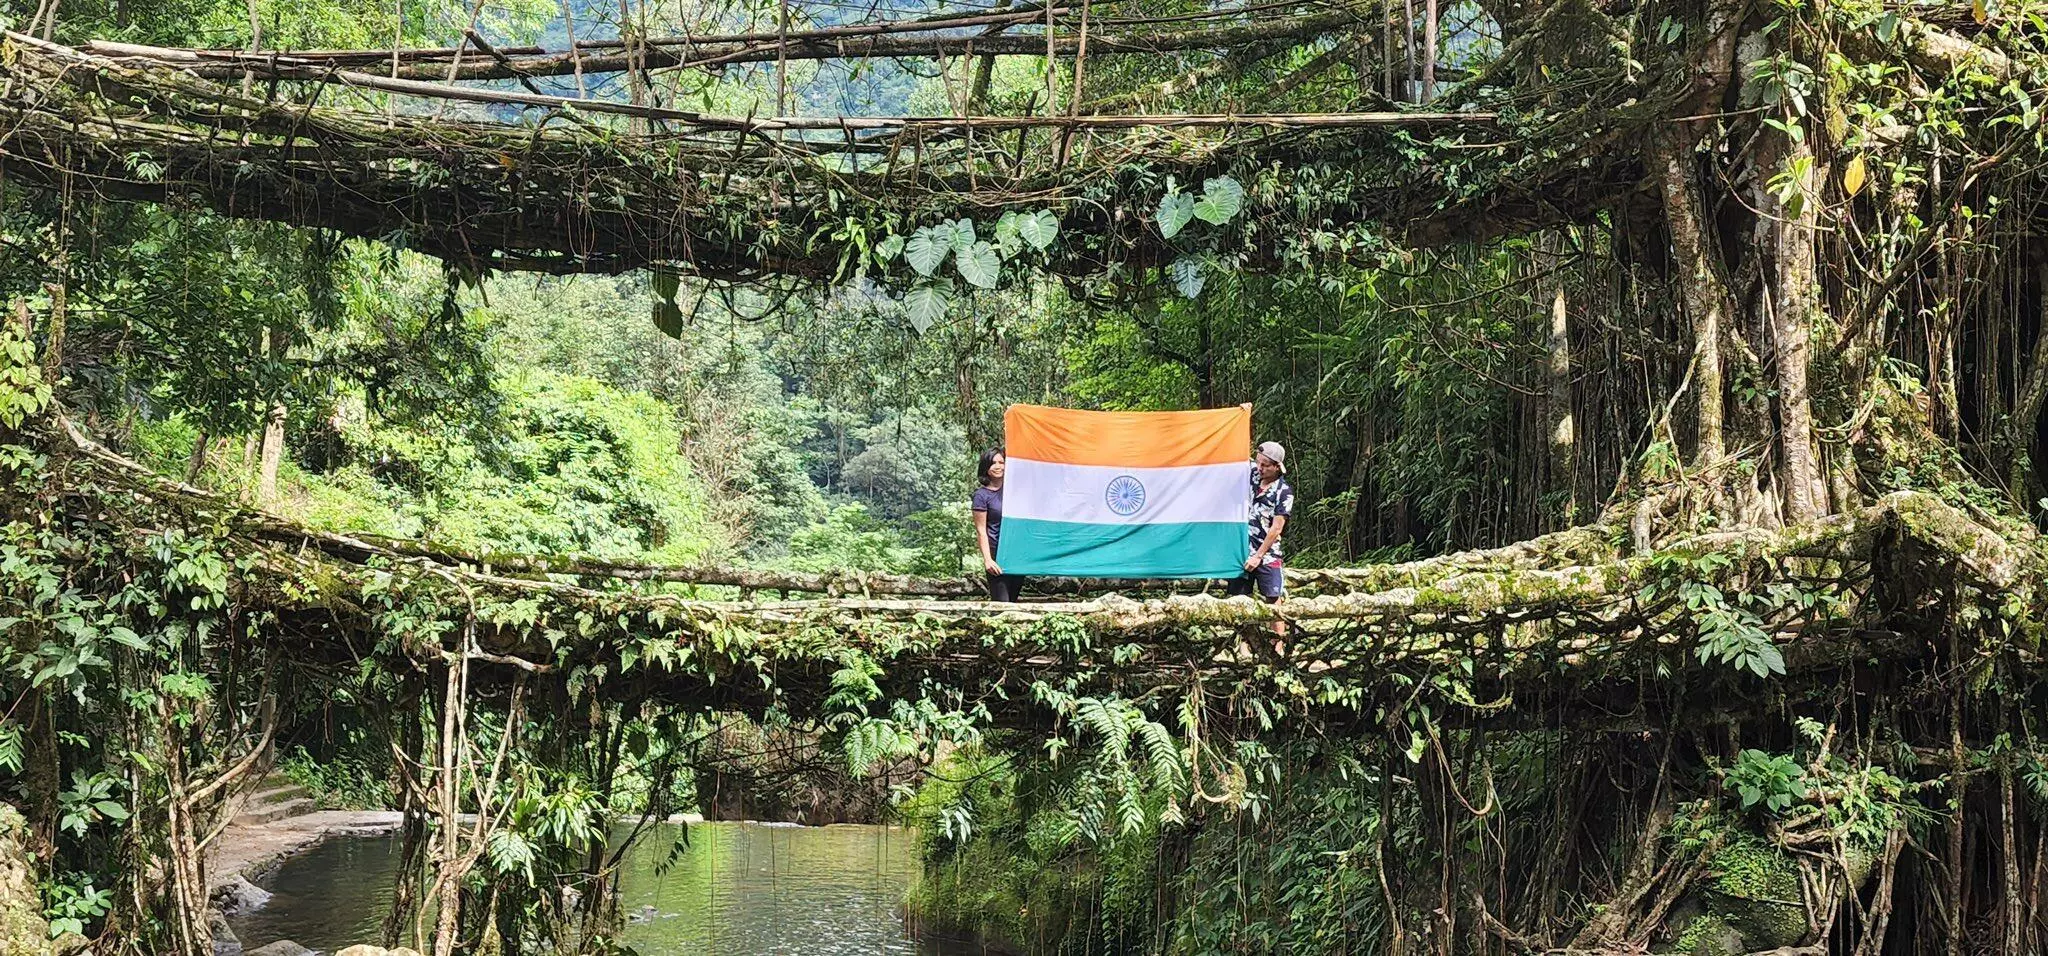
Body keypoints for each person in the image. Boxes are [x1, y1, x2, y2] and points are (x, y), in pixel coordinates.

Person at [1228, 439, 1292, 630]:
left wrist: (1258, 556)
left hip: (1268, 554)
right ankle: (1245, 647)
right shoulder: (1252, 475)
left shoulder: (1284, 492)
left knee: (1273, 599)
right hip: (1242, 550)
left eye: (1265, 465)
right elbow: (1235, 452)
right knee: (1240, 599)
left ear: (1276, 467)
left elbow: (1276, 528)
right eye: (1258, 463)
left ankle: (1278, 647)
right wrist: (1242, 413)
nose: (1260, 468)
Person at [972, 448, 1025, 602]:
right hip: (997, 555)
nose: (998, 466)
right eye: (993, 463)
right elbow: (981, 530)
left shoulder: (1014, 491)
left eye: (1001, 462)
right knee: (1001, 604)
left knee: (1013, 602)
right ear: (986, 468)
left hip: (1016, 554)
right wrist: (988, 560)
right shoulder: (981, 496)